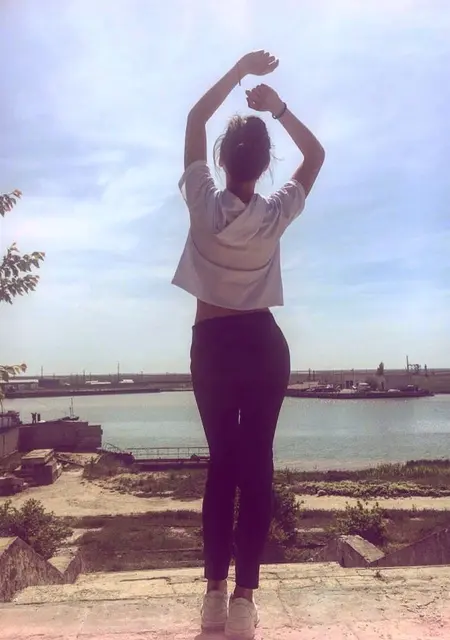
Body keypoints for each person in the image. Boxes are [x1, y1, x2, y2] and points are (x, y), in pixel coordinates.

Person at [172, 50, 325, 639]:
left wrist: (239, 71)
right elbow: (315, 156)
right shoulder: (273, 214)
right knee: (257, 464)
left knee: (223, 467)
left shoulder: (202, 203)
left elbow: (194, 118)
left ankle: (214, 596)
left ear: (221, 160)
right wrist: (277, 107)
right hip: (263, 345)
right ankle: (244, 600)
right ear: (263, 167)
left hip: (212, 344)